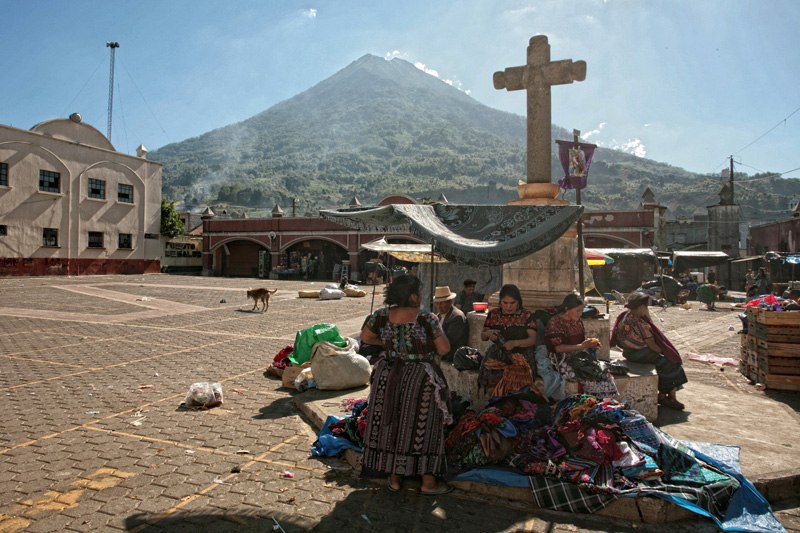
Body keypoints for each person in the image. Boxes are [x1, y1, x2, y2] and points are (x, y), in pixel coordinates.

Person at [359, 274, 453, 495]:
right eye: (419, 292)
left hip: (387, 375)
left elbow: (365, 337)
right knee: (423, 426)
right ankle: (428, 483)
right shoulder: (427, 318)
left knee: (392, 424)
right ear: (412, 296)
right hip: (419, 378)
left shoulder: (381, 315)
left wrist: (389, 344)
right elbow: (444, 349)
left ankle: (394, 478)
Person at [611, 292, 688, 410]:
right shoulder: (641, 324)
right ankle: (668, 396)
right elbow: (653, 346)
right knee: (671, 363)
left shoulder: (625, 316)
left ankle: (664, 394)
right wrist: (665, 351)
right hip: (638, 354)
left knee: (667, 362)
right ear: (642, 307)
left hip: (628, 352)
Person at [479, 284, 550, 399]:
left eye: (512, 303)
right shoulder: (494, 314)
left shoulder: (526, 315)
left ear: (518, 302)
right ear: (500, 302)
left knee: (515, 380)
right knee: (493, 381)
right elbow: (483, 336)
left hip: (521, 356)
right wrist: (488, 334)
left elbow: (533, 339)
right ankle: (496, 405)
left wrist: (515, 343)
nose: (508, 307)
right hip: (498, 354)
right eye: (505, 303)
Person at [545, 293, 616, 398]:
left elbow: (581, 343)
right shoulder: (555, 323)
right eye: (577, 311)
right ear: (567, 309)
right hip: (562, 359)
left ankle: (604, 401)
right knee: (586, 375)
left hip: (579, 356)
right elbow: (558, 348)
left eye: (581, 311)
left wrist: (590, 345)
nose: (580, 314)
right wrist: (581, 346)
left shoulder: (577, 321)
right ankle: (589, 401)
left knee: (603, 371)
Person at [433, 286, 468, 360]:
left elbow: (449, 342)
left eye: (442, 303)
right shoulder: (438, 316)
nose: (439, 306)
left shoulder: (456, 317)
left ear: (450, 302)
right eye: (437, 303)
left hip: (452, 355)